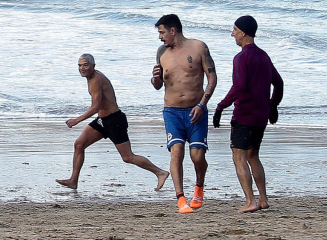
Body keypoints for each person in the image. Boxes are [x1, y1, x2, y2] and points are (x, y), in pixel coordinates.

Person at [56, 54, 169, 191]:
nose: (82, 68)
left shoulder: (96, 79)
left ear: (93, 66)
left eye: (85, 65)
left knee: (128, 157)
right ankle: (73, 180)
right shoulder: (90, 78)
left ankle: (160, 172)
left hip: (114, 120)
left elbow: (95, 107)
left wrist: (77, 120)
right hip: (103, 121)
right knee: (79, 144)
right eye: (79, 65)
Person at [213, 15, 283, 214]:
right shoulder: (264, 55)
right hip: (261, 116)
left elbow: (240, 86)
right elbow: (278, 83)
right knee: (254, 156)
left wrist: (220, 107)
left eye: (235, 30)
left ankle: (250, 200)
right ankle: (263, 199)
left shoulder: (241, 57)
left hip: (244, 115)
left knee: (239, 156)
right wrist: (272, 106)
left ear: (243, 32)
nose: (233, 34)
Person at [151, 14, 217, 214]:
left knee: (197, 156)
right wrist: (155, 80)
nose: (160, 37)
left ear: (173, 30)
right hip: (171, 111)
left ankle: (199, 188)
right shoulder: (162, 52)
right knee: (176, 152)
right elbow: (158, 85)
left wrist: (202, 105)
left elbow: (212, 78)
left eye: (162, 32)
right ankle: (181, 199)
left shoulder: (198, 47)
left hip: (196, 110)